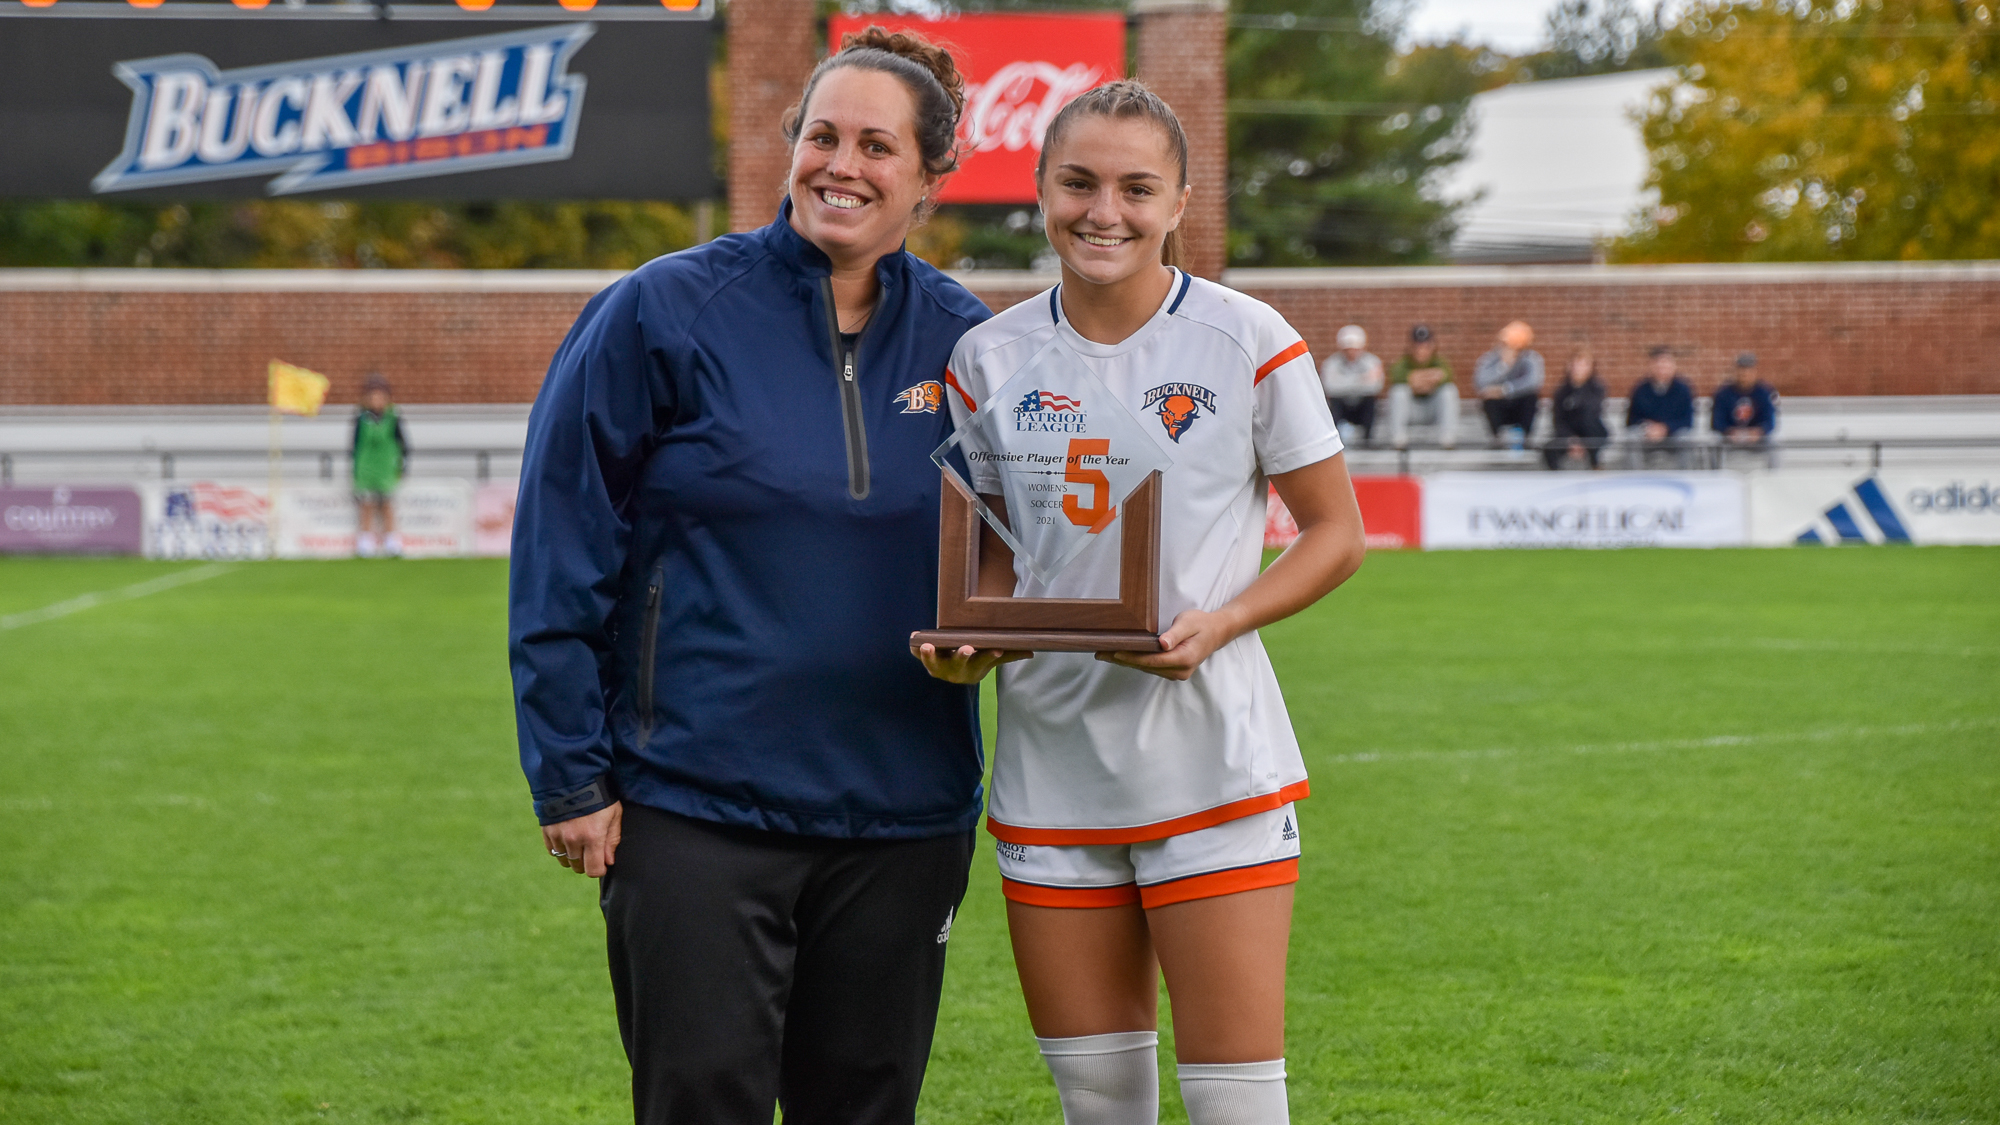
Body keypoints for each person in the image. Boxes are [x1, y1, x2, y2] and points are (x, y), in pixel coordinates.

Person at [508, 29, 992, 1125]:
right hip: (693, 812)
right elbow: (560, 544)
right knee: (698, 1103)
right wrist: (571, 775)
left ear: (929, 174)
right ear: (790, 147)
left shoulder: (973, 344)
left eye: (877, 145)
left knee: (865, 1108)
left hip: (903, 817)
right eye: (822, 135)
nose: (842, 165)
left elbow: (1023, 553)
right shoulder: (661, 310)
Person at [917, 82, 1368, 1125]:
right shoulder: (985, 357)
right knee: (1097, 1103)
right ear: (1038, 191)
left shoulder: (1245, 337)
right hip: (1050, 774)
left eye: (1134, 187)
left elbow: (1335, 534)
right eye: (1076, 183)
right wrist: (972, 643)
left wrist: (1222, 623)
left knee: (1233, 1104)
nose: (1102, 212)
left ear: (1179, 202)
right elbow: (985, 561)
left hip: (1212, 764)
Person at [351, 372, 408, 558]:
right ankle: (365, 542)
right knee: (366, 504)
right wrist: (354, 468)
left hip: (386, 468)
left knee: (387, 504)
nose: (376, 400)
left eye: (380, 396)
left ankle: (392, 541)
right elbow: (354, 445)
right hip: (366, 468)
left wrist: (402, 466)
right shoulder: (361, 419)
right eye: (372, 396)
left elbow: (403, 444)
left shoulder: (393, 417)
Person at [1386, 324, 1459, 449]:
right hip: (1411, 411)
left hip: (1433, 410)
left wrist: (1417, 380)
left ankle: (1448, 437)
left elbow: (1446, 377)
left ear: (1432, 346)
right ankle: (1398, 437)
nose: (1421, 350)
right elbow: (1398, 377)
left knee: (1449, 391)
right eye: (1417, 346)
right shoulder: (1402, 363)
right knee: (1398, 391)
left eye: (1425, 346)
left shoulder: (1440, 361)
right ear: (1410, 346)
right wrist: (1430, 379)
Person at [1472, 320, 1543, 448]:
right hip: (1500, 406)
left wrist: (1505, 390)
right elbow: (1480, 382)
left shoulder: (1531, 359)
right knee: (1489, 398)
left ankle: (1526, 437)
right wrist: (1503, 366)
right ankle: (1497, 438)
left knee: (1531, 397)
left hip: (1519, 405)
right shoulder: (1490, 358)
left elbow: (1533, 382)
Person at [1627, 345, 1696, 466]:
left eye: (1666, 364)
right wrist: (1647, 427)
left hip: (1674, 435)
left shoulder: (1683, 389)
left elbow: (1687, 421)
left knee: (1686, 438)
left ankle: (1685, 476)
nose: (1662, 368)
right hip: (1647, 435)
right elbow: (1631, 420)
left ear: (1673, 366)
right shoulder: (1640, 389)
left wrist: (1665, 428)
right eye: (1658, 364)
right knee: (1631, 437)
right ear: (1651, 366)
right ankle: (1636, 478)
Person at [1318, 324, 1383, 444]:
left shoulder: (1372, 362)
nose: (1351, 352)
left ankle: (1368, 440)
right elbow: (1330, 388)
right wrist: (1360, 380)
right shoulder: (1331, 363)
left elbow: (1374, 387)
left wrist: (1345, 382)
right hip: (1341, 406)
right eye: (1348, 348)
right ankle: (1334, 440)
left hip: (1361, 406)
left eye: (1355, 348)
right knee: (1334, 403)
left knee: (1370, 402)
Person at [1543, 351, 1608, 469]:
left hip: (1591, 432)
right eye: (1577, 364)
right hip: (1568, 433)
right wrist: (1571, 439)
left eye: (1584, 365)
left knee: (1592, 429)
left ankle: (1595, 466)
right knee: (1550, 448)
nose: (1579, 369)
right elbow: (1559, 420)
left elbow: (1592, 412)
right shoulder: (1561, 391)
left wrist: (1582, 443)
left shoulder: (1596, 388)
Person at [1711, 351, 1779, 445]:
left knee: (1774, 445)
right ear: (1735, 371)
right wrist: (1729, 431)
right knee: (1714, 445)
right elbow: (1717, 422)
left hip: (1757, 439)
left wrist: (1758, 431)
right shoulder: (1723, 394)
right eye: (1741, 369)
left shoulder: (1764, 392)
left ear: (1755, 371)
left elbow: (1769, 421)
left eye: (1748, 370)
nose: (1744, 373)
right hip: (1729, 439)